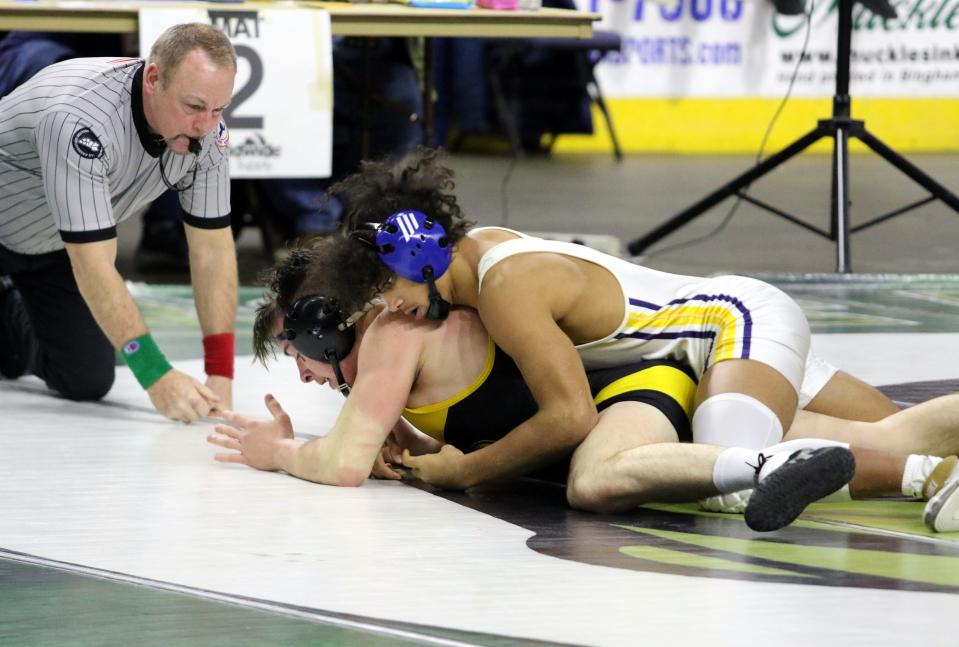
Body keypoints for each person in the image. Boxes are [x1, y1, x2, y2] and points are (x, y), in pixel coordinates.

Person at [206, 246, 959, 533]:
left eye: (296, 349)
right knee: (892, 434)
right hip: (685, 343)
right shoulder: (444, 291)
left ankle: (758, 468)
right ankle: (932, 473)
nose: (300, 369)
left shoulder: (399, 331)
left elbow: (341, 462)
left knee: (597, 479)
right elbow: (382, 447)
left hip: (678, 350)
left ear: (326, 322)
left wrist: (278, 452)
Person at [310, 148, 906, 494]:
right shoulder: (476, 259)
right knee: (900, 425)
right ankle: (932, 463)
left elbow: (571, 417)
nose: (388, 306)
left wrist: (469, 469)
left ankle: (921, 478)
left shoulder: (503, 288)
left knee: (735, 467)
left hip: (725, 330)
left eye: (386, 287)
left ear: (419, 256)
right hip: (710, 338)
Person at [0, 23, 238, 422]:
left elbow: (212, 250)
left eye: (219, 110)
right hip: (29, 231)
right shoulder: (79, 117)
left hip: (46, 242)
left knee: (85, 379)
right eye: (194, 107)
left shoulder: (209, 137)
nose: (205, 125)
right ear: (153, 78)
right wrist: (156, 375)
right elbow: (93, 263)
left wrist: (221, 374)